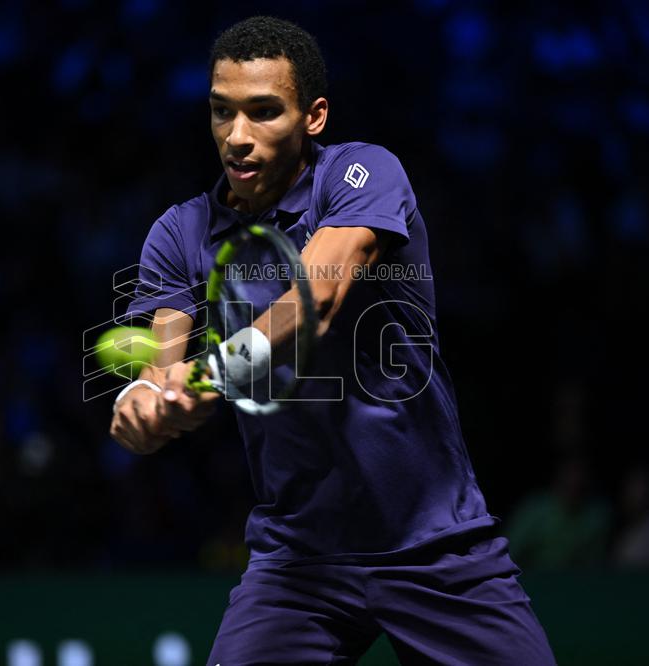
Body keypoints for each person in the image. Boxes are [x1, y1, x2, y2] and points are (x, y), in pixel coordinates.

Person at [110, 16, 556, 665]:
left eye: (263, 113)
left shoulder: (364, 173)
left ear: (313, 116)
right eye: (221, 113)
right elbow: (163, 364)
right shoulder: (181, 234)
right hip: (296, 566)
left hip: (438, 550)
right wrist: (148, 404)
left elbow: (317, 295)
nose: (237, 138)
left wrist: (212, 374)